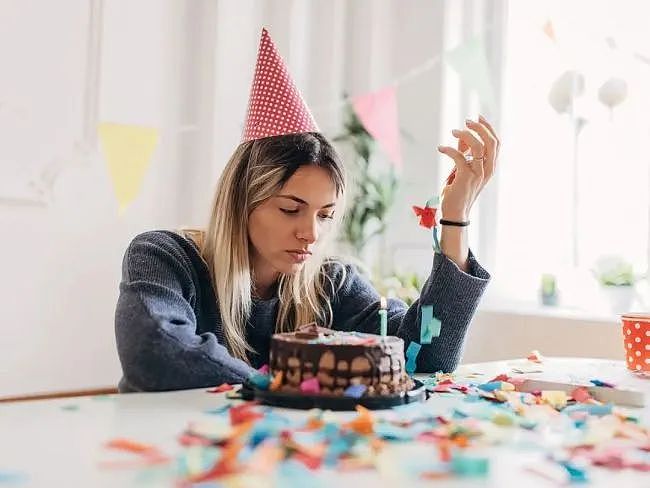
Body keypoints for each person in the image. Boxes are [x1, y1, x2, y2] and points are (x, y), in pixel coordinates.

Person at [114, 28, 498, 393]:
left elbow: (425, 357)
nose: (311, 233)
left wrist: (455, 219)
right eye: (290, 209)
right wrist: (289, 386)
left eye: (325, 214)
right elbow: (157, 353)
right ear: (241, 201)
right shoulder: (163, 258)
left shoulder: (330, 286)